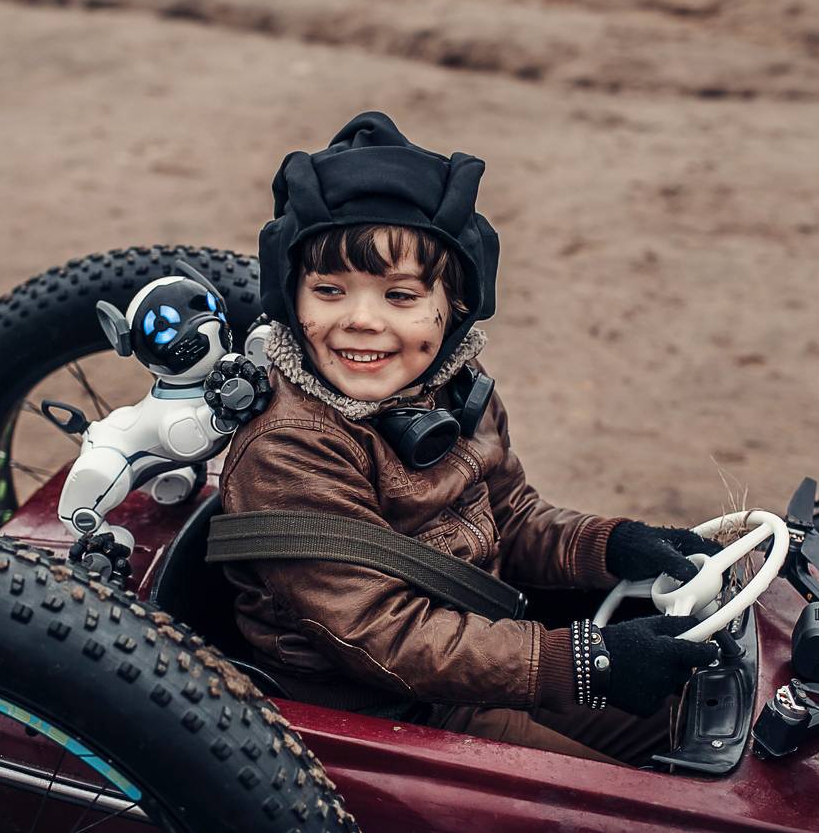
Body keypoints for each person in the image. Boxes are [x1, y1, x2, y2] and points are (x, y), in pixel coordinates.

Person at [217, 112, 721, 766]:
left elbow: (510, 516)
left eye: (400, 296)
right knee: (632, 804)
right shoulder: (290, 447)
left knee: (696, 719)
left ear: (453, 306)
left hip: (483, 658)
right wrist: (582, 659)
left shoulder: (452, 385)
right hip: (381, 712)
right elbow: (381, 632)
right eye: (330, 290)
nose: (361, 320)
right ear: (292, 299)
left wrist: (613, 545)